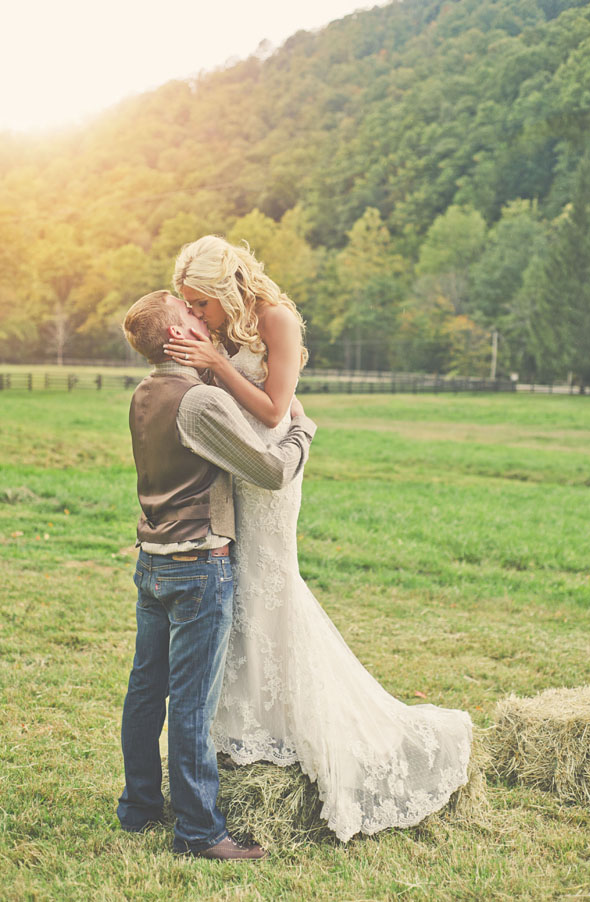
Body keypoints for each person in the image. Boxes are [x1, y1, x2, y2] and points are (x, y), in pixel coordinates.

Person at [165, 236, 473, 842]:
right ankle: (237, 726)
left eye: (202, 303)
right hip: (232, 470)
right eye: (190, 306)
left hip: (272, 476)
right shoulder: (219, 330)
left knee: (267, 581)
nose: (197, 315)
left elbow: (278, 412)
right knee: (236, 587)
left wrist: (218, 365)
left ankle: (292, 722)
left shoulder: (275, 319)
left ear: (227, 291)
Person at [118, 289, 317, 860]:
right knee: (192, 705)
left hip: (151, 562)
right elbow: (270, 470)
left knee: (145, 690)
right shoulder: (199, 402)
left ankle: (137, 809)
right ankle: (201, 832)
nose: (202, 321)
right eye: (190, 317)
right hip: (199, 566)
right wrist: (303, 430)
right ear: (176, 337)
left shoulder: (144, 391)